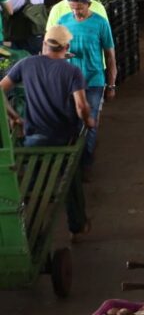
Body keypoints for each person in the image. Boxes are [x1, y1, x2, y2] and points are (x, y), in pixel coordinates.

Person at [0, 25, 94, 239]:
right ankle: (77, 225)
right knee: (71, 182)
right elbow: (81, 106)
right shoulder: (72, 71)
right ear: (66, 47)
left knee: (32, 186)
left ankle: (27, 229)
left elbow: (0, 89)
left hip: (34, 140)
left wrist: (14, 117)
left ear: (44, 44)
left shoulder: (26, 64)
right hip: (64, 141)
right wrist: (89, 120)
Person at [57, 0, 116, 171]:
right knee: (72, 121)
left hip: (93, 81)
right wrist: (62, 55)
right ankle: (73, 160)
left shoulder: (100, 23)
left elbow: (110, 55)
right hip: (69, 82)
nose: (76, 12)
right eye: (72, 8)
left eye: (80, 8)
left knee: (89, 121)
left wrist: (111, 84)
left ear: (88, 4)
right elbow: (54, 50)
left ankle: (86, 162)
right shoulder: (63, 21)